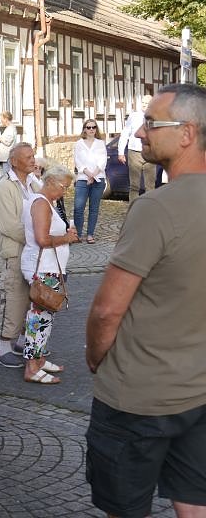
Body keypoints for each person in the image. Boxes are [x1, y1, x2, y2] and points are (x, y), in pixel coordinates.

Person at [86, 84, 206, 518]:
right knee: (195, 505)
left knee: (124, 508)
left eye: (152, 123)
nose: (139, 132)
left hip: (136, 397)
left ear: (187, 133)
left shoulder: (156, 207)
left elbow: (106, 310)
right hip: (198, 391)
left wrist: (95, 357)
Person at [21, 164, 78, 384]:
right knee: (39, 316)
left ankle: (39, 359)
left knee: (45, 315)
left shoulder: (45, 202)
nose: (65, 192)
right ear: (51, 182)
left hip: (49, 267)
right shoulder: (41, 203)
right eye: (64, 187)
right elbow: (42, 239)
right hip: (43, 267)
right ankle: (32, 366)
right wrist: (67, 238)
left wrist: (65, 235)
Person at [0, 142, 40, 368]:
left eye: (33, 156)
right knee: (13, 299)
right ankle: (3, 348)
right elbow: (9, 226)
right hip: (16, 252)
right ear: (14, 161)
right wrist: (39, 237)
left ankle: (22, 342)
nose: (33, 160)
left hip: (34, 252)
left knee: (32, 299)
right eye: (28, 157)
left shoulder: (33, 183)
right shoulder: (4, 187)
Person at [73, 120, 107, 243]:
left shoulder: (100, 143)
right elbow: (78, 162)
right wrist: (89, 174)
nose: (91, 129)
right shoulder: (79, 144)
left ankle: (90, 234)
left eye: (94, 127)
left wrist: (93, 175)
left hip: (98, 179)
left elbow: (103, 161)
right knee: (78, 208)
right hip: (83, 179)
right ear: (84, 129)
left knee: (94, 208)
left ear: (96, 129)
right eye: (88, 127)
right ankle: (77, 234)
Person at [118, 94, 156, 202]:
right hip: (134, 153)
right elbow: (125, 133)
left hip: (149, 153)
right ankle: (133, 207)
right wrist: (121, 152)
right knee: (134, 185)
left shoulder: (156, 117)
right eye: (142, 102)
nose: (144, 105)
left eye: (146, 103)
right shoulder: (133, 116)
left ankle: (149, 208)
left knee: (150, 185)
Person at [0, 111, 17, 178]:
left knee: (7, 175)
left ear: (6, 119)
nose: (1, 121)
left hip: (7, 156)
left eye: (2, 119)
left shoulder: (11, 128)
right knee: (5, 174)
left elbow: (8, 142)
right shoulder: (9, 128)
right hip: (5, 156)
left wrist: (0, 139)